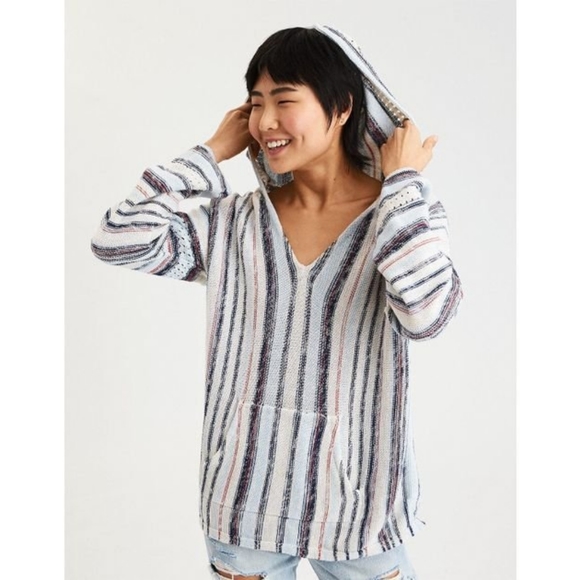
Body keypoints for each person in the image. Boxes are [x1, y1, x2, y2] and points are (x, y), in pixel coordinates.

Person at [91, 24, 463, 580]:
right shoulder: (232, 223)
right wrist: (211, 152)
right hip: (244, 501)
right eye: (256, 103)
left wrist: (402, 182)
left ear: (342, 108)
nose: (266, 122)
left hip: (359, 506)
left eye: (285, 100)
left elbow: (427, 315)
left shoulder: (401, 218)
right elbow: (118, 239)